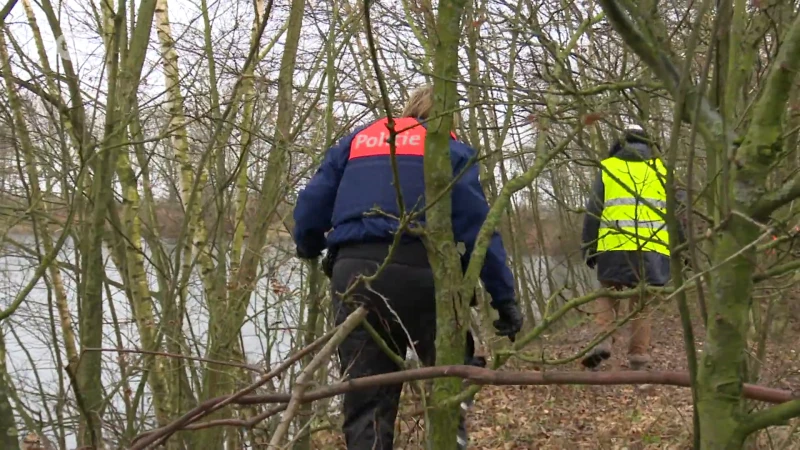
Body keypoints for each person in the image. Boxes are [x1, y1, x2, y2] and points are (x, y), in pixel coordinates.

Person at [292, 86, 523, 450]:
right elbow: (479, 228)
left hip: (356, 273)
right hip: (425, 272)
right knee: (447, 376)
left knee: (367, 394)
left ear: (409, 108)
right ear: (450, 118)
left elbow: (312, 203)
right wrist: (504, 297)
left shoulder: (359, 140)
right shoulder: (450, 150)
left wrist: (308, 245)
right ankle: (450, 435)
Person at [580, 124, 685, 371]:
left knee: (608, 294)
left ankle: (603, 341)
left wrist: (588, 245)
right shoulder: (662, 170)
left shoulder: (609, 168)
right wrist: (683, 248)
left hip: (613, 246)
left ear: (621, 141)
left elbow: (594, 210)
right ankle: (638, 356)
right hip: (652, 249)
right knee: (642, 302)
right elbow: (678, 214)